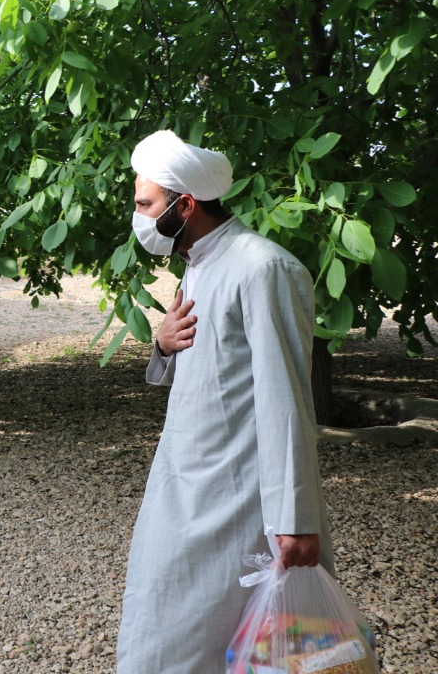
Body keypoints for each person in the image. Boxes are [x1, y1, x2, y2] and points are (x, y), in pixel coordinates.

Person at [116, 130, 334, 673]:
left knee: (245, 652)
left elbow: (286, 402)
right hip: (183, 488)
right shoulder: (197, 264)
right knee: (159, 640)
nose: (139, 217)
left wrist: (294, 520)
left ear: (185, 204)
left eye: (146, 204)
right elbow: (210, 376)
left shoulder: (264, 269)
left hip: (243, 507)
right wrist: (162, 345)